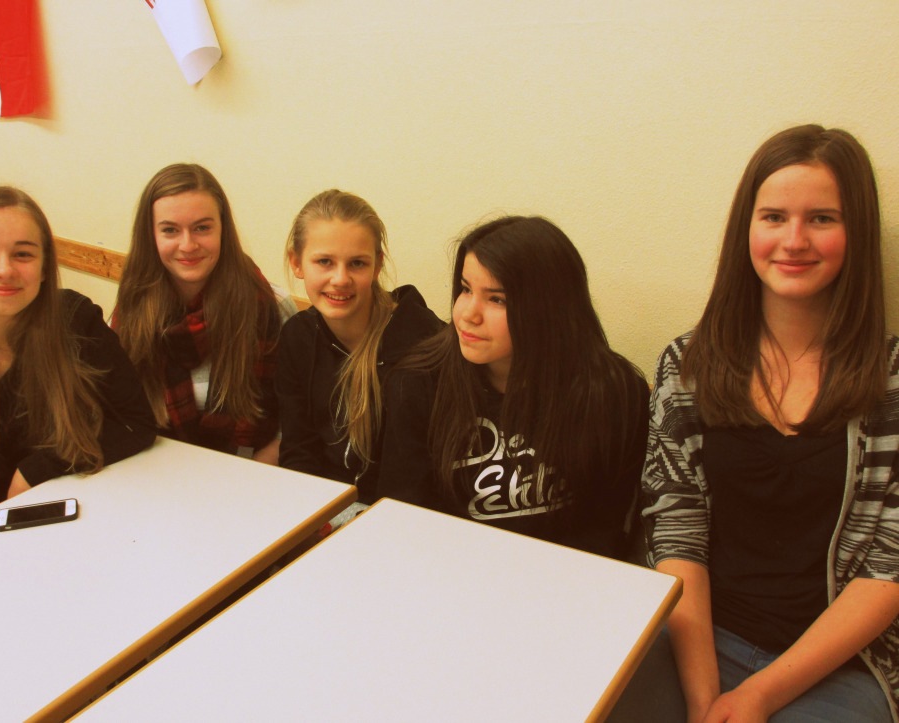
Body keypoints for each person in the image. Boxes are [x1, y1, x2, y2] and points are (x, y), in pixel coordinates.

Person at [612, 125, 899, 722]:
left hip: (840, 664)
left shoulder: (891, 379)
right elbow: (676, 532)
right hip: (694, 639)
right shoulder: (687, 365)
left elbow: (888, 569)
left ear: (857, 231)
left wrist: (757, 696)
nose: (794, 240)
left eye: (821, 218)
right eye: (774, 217)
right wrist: (704, 699)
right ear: (747, 227)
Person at [0, 187, 156, 550]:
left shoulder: (76, 322)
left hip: (70, 527)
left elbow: (135, 424)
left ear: (44, 267)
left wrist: (36, 469)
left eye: (22, 254)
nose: (4, 270)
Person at [378, 216, 648, 558]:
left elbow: (605, 529)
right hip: (448, 568)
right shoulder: (417, 383)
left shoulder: (614, 393)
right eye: (465, 289)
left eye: (497, 299)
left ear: (549, 308)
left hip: (568, 575)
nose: (468, 314)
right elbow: (406, 519)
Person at [276, 189, 442, 504]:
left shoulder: (423, 345)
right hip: (324, 510)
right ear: (296, 262)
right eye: (324, 261)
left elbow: (415, 482)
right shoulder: (297, 336)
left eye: (357, 263)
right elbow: (298, 450)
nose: (340, 279)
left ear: (377, 266)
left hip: (400, 516)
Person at [113, 163, 282, 463]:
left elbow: (288, 424)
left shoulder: (268, 306)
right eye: (170, 230)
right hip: (154, 465)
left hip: (245, 468)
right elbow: (115, 413)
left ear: (223, 229)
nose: (188, 245)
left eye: (202, 228)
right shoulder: (131, 310)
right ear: (150, 235)